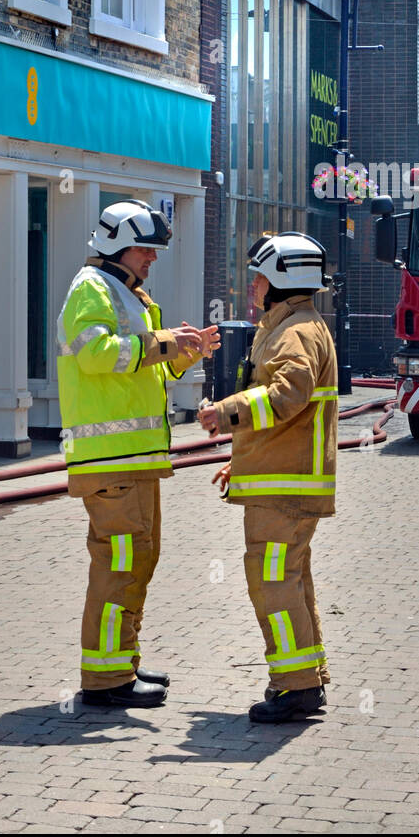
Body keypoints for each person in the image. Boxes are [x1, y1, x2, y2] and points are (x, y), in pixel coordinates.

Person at [57, 199, 220, 709]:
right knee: (120, 565)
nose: (152, 257)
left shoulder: (128, 294)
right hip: (111, 462)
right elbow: (97, 354)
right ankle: (106, 682)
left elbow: (146, 366)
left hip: (134, 460)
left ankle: (119, 662)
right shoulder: (92, 289)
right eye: (145, 248)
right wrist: (166, 344)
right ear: (114, 244)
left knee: (138, 560)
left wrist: (185, 351)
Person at [201, 232, 338, 725]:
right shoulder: (296, 324)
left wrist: (226, 411)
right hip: (285, 478)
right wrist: (244, 461)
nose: (253, 285)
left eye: (259, 276)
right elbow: (290, 417)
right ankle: (307, 676)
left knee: (273, 583)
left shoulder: (294, 332)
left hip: (284, 489)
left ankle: (295, 687)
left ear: (281, 279)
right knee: (291, 580)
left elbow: (289, 394)